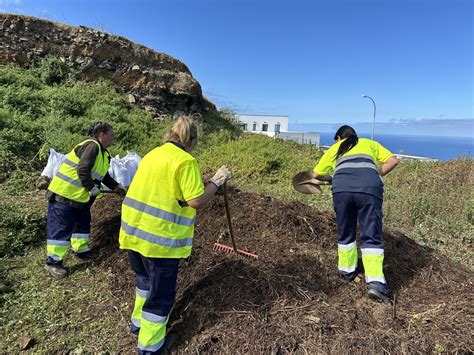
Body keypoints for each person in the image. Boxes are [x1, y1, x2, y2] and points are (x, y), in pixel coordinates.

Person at [119, 116, 232, 354]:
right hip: (159, 241)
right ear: (192, 139)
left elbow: (162, 191)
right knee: (160, 296)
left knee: (144, 282)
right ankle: (150, 346)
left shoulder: (153, 154)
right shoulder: (185, 161)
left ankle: (137, 324)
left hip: (133, 232)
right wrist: (216, 181)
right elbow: (196, 200)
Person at [312, 125, 399, 303]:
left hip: (341, 190)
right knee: (371, 235)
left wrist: (332, 177)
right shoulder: (369, 144)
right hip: (369, 189)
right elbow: (393, 161)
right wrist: (376, 173)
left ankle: (347, 272)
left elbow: (315, 174)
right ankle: (375, 285)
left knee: (346, 232)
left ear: (338, 138)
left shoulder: (335, 148)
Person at [45, 121, 126, 279]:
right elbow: (83, 169)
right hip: (64, 195)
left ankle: (80, 249)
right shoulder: (92, 146)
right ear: (101, 134)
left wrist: (116, 186)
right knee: (61, 227)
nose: (113, 139)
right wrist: (90, 187)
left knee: (82, 223)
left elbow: (102, 175)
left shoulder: (103, 153)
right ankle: (53, 262)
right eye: (111, 135)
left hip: (79, 198)